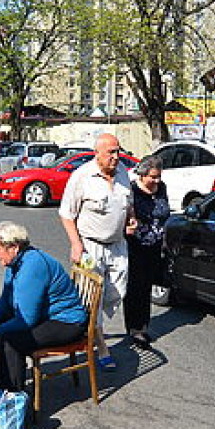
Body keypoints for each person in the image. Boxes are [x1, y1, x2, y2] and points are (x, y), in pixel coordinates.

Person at [0, 221, 88, 393]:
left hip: (66, 322)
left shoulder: (33, 266)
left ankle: (13, 395)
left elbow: (27, 319)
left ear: (14, 247)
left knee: (11, 341)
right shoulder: (15, 264)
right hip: (44, 315)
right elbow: (6, 299)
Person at [58, 132, 132, 369]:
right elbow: (66, 214)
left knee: (117, 292)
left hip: (118, 246)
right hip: (91, 246)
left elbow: (127, 205)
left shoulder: (122, 174)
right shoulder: (82, 176)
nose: (116, 156)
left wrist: (131, 220)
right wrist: (76, 244)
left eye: (118, 151)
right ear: (97, 153)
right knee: (94, 300)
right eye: (111, 152)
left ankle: (91, 331)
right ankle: (101, 348)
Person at [123, 156, 170, 348]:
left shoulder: (162, 188)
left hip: (155, 246)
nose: (156, 181)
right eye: (153, 177)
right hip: (136, 246)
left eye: (159, 176)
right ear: (142, 175)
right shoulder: (132, 190)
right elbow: (124, 214)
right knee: (135, 288)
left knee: (147, 287)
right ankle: (134, 330)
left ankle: (143, 326)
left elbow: (164, 212)